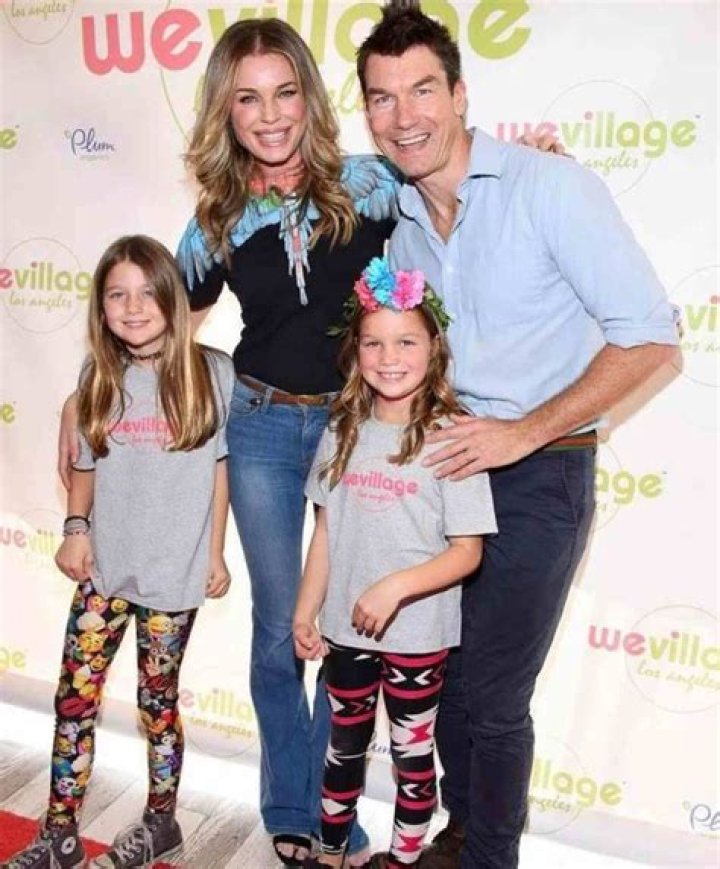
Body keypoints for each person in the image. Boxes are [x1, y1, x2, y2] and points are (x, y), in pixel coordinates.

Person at [55, 17, 559, 867]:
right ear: (224, 110)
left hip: (355, 430)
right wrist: (88, 392)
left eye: (286, 92)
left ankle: (334, 813)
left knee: (343, 624)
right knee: (278, 625)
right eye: (248, 98)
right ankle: (292, 808)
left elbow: (459, 195)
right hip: (258, 426)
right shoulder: (216, 219)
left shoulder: (370, 184)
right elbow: (155, 321)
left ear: (310, 97)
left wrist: (535, 163)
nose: (271, 115)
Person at [355, 4, 680, 869]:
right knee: (448, 680)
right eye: (383, 98)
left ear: (461, 94)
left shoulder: (550, 187)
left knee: (496, 696)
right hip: (446, 473)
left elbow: (652, 336)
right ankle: (462, 837)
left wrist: (523, 433)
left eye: (424, 89)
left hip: (543, 473)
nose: (405, 115)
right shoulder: (400, 222)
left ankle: (489, 857)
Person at [4, 235, 235, 869]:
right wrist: (75, 527)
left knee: (157, 705)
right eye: (117, 295)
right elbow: (85, 464)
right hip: (104, 572)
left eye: (146, 293)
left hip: (173, 577)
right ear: (101, 307)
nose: (133, 308)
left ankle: (162, 823)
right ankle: (60, 836)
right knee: (73, 700)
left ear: (173, 297)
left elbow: (219, 470)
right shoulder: (97, 377)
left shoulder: (213, 374)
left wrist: (215, 554)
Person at [293, 258, 497, 869]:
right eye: (373, 343)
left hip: (418, 635)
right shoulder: (343, 429)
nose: (388, 357)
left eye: (406, 341)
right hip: (345, 630)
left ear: (434, 349)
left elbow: (467, 551)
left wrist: (395, 588)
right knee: (342, 750)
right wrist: (305, 611)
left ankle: (403, 861)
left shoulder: (454, 435)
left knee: (412, 757)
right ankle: (331, 855)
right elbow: (326, 530)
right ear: (354, 351)